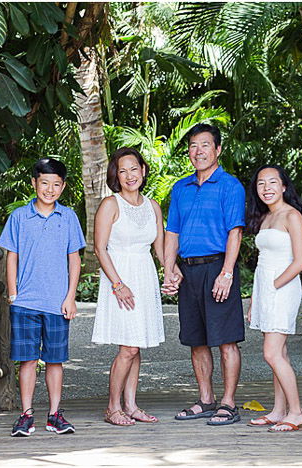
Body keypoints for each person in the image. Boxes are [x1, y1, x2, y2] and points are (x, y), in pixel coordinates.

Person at [162, 123, 246, 426]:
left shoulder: (230, 186)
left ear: (218, 150)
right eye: (193, 145)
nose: (198, 151)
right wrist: (170, 269)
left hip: (217, 267)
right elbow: (172, 232)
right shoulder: (180, 187)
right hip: (188, 271)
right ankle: (206, 399)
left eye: (205, 145)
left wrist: (226, 274)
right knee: (196, 340)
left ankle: (228, 403)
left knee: (226, 341)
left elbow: (234, 233)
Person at [0, 158, 85, 437]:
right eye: (44, 183)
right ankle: (25, 415)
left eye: (56, 184)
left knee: (55, 360)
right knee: (26, 360)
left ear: (63, 186)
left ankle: (54, 415)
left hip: (57, 303)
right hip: (25, 302)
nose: (50, 189)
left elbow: (75, 260)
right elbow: (12, 256)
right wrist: (13, 293)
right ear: (34, 183)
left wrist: (70, 297)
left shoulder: (68, 217)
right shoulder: (20, 217)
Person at [91, 147, 174, 426]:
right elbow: (100, 249)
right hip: (120, 277)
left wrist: (171, 273)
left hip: (144, 275)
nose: (129, 175)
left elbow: (160, 247)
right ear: (116, 174)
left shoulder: (152, 206)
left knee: (136, 345)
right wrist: (118, 284)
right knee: (128, 348)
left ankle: (131, 405)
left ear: (143, 170)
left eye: (134, 169)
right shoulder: (110, 204)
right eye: (122, 170)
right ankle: (113, 407)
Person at [245, 164, 302, 432]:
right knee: (280, 352)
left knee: (272, 354)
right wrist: (255, 298)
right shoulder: (265, 218)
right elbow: (263, 261)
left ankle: (296, 412)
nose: (266, 188)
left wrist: (274, 285)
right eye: (261, 184)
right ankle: (278, 410)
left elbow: (300, 262)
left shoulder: (291, 216)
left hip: (282, 287)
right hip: (266, 287)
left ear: (284, 186)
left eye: (272, 182)